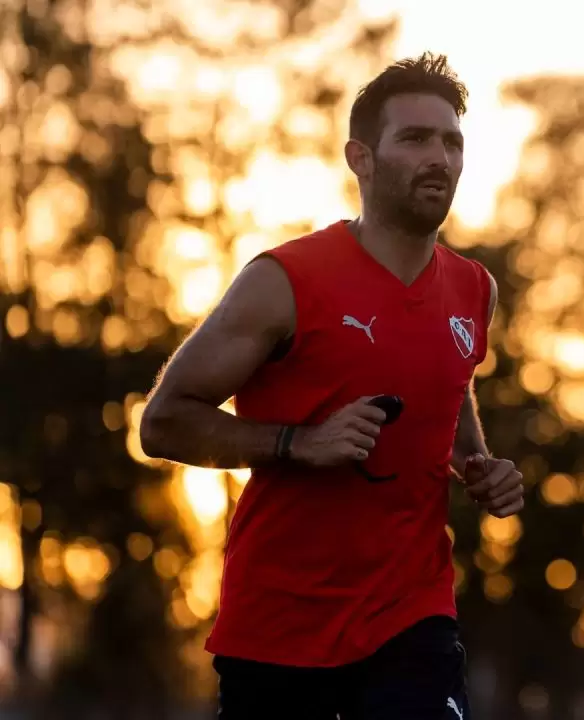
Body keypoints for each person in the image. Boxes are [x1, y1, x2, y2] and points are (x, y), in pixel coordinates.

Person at [139, 53, 522, 720]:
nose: (439, 158)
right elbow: (163, 422)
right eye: (415, 139)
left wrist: (478, 465)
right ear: (360, 159)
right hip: (280, 629)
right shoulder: (284, 281)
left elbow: (448, 389)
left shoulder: (474, 289)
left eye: (452, 142)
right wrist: (297, 443)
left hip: (413, 616)